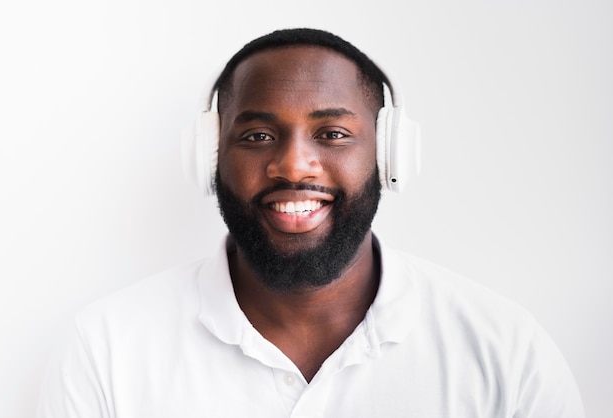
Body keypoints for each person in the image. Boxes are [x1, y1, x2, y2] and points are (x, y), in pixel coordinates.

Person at [36, 28, 584, 417]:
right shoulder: (107, 348)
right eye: (256, 136)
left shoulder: (506, 351)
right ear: (209, 157)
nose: (294, 164)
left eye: (333, 134)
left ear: (390, 155)